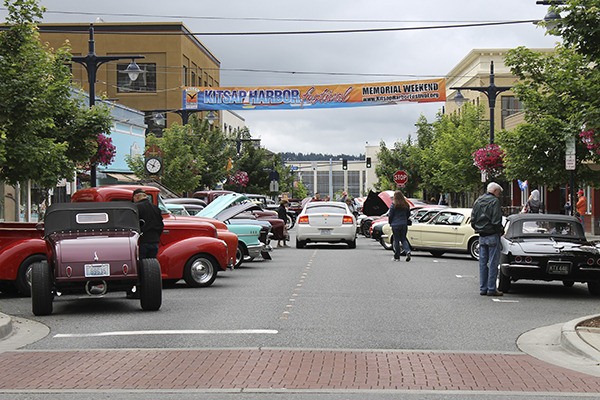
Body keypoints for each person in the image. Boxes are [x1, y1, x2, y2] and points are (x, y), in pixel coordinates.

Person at [128, 188, 164, 299]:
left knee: (140, 268)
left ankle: (138, 291)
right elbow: (161, 225)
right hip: (154, 241)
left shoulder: (136, 208)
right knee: (151, 268)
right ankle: (150, 291)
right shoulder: (156, 208)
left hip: (142, 241)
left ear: (136, 197)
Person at [471, 182, 505, 296]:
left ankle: (483, 288)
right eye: (499, 193)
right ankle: (491, 288)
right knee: (493, 263)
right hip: (492, 235)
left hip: (481, 235)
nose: (499, 195)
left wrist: (478, 228)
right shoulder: (495, 202)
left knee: (482, 263)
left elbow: (473, 219)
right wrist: (500, 230)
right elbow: (496, 220)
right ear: (495, 191)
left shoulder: (478, 201)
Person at [388, 190, 411, 262]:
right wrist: (405, 219)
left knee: (396, 240)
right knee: (403, 239)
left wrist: (390, 222)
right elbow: (408, 214)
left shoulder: (394, 205)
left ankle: (397, 256)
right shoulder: (406, 205)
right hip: (404, 224)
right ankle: (407, 251)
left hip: (395, 224)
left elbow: (390, 215)